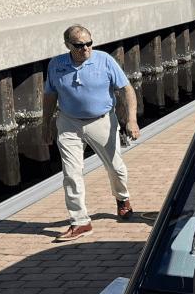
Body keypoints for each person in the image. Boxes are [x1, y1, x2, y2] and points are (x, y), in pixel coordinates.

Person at [42, 25, 140, 243]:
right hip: (69, 123)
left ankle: (122, 198)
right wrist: (45, 124)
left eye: (89, 43)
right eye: (79, 45)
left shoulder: (105, 60)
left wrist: (131, 119)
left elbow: (126, 89)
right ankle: (80, 221)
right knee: (71, 173)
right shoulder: (56, 64)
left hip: (102, 121)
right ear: (67, 45)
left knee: (115, 167)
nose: (85, 48)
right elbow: (50, 95)